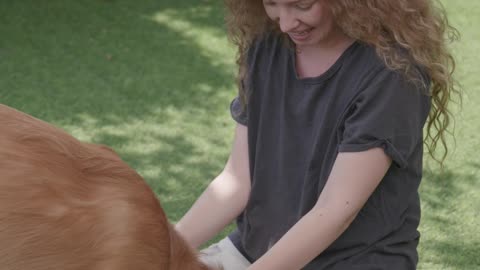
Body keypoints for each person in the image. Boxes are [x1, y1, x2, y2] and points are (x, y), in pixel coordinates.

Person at [175, 0, 459, 269]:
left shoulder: (392, 72)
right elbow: (236, 181)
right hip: (258, 252)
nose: (285, 23)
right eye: (271, 3)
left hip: (352, 261)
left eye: (302, 5)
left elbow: (335, 211)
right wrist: (160, 248)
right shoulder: (266, 45)